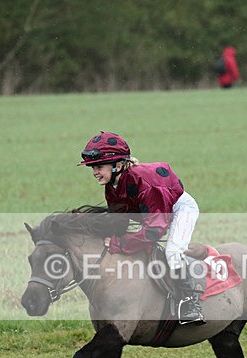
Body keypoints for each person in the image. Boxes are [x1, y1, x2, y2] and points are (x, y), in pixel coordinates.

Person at [78, 131, 205, 325]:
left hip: (179, 209)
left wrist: (120, 243)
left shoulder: (143, 182)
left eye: (99, 166)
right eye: (92, 167)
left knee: (172, 251)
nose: (95, 172)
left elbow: (154, 230)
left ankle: (191, 303)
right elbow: (120, 222)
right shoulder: (112, 186)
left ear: (118, 165)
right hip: (154, 212)